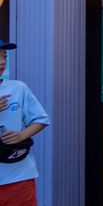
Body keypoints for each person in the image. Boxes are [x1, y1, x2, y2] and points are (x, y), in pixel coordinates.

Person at [0, 40, 50, 206]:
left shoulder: (18, 88)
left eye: (4, 56)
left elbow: (41, 119)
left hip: (18, 177)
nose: (2, 62)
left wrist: (21, 135)